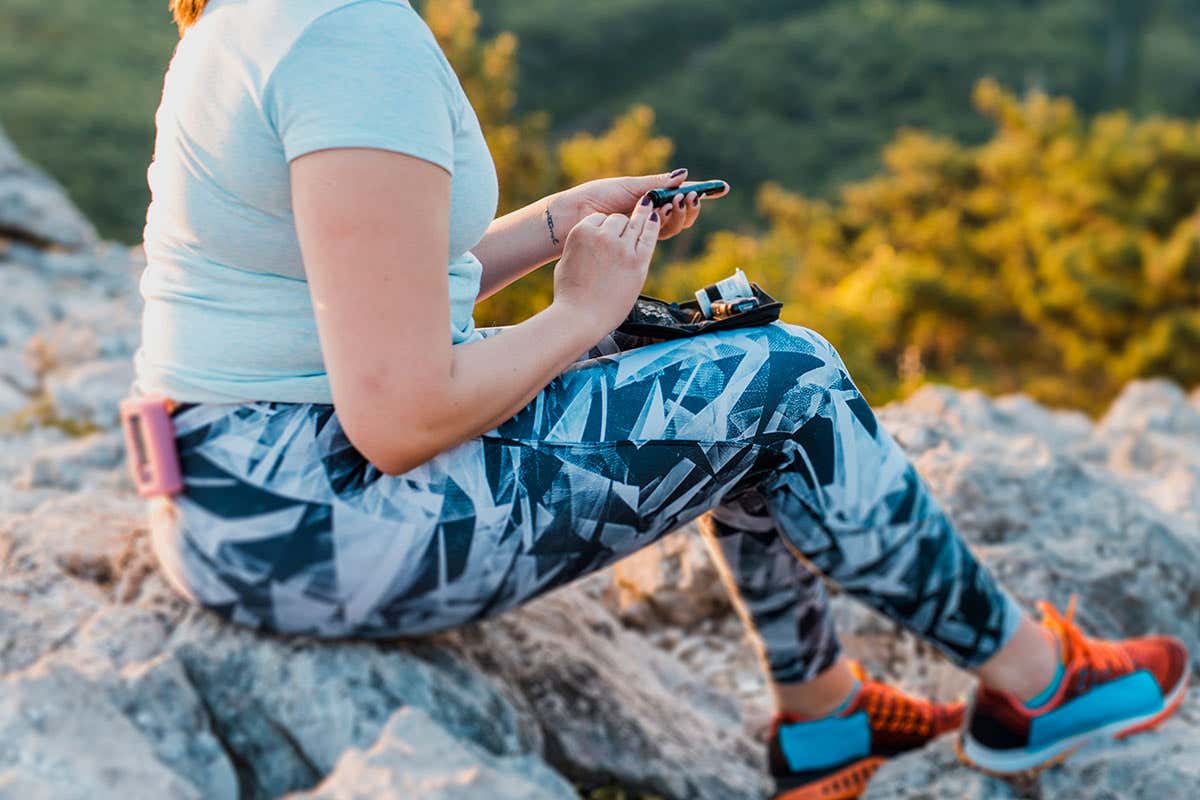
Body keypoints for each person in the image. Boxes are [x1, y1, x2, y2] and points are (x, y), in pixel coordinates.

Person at [138, 2, 1189, 798]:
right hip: (310, 512)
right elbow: (402, 414)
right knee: (786, 380)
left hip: (247, 491)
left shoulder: (271, 17)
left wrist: (561, 224)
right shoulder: (350, 40)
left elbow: (376, 279)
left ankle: (826, 718)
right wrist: (580, 316)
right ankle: (1037, 684)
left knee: (725, 372)